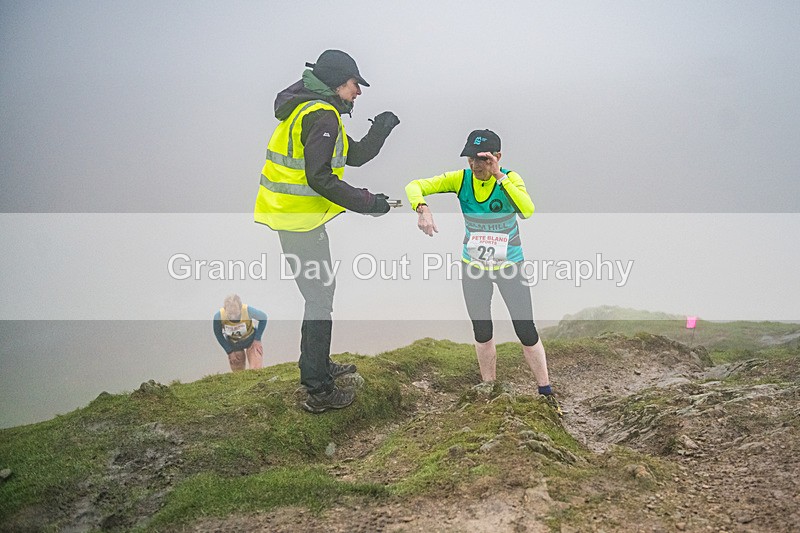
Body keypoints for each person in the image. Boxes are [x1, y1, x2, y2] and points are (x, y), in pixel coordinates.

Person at [254, 50, 400, 413]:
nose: (359, 92)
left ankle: (318, 366)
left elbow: (353, 155)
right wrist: (370, 203)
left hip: (295, 219)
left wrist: (379, 130)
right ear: (338, 82)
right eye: (355, 84)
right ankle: (318, 388)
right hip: (299, 221)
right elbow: (320, 177)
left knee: (319, 294)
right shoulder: (322, 115)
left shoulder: (311, 110)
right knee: (319, 298)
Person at [404, 129, 562, 416]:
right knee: (482, 330)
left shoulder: (510, 180)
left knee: (525, 330)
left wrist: (500, 176)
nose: (476, 165)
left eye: (483, 159)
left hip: (510, 267)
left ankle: (545, 390)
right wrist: (422, 208)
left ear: (497, 157)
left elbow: (527, 210)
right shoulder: (460, 179)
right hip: (474, 267)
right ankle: (489, 387)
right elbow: (414, 185)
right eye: (471, 159)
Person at [213, 294, 268, 372]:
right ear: (225, 310)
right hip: (234, 344)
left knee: (256, 369)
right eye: (230, 314)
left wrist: (257, 339)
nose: (233, 316)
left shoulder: (248, 310)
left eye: (235, 313)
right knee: (238, 372)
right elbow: (218, 334)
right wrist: (229, 351)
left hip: (251, 341)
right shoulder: (218, 317)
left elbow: (263, 317)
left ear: (240, 308)